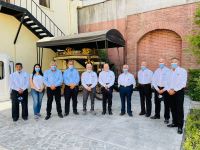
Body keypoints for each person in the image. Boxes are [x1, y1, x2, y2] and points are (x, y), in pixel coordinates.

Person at [167, 58, 187, 134]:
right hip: (170, 92)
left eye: (175, 62)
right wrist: (169, 90)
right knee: (172, 108)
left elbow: (183, 83)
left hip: (178, 92)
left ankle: (180, 126)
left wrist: (174, 90)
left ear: (178, 62)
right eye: (172, 62)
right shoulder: (169, 71)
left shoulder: (182, 71)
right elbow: (166, 82)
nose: (173, 63)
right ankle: (174, 122)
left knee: (179, 109)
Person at [151, 58, 170, 124]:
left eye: (162, 62)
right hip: (157, 88)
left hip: (165, 89)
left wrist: (163, 90)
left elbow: (169, 82)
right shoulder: (156, 71)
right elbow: (154, 81)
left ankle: (167, 118)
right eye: (159, 62)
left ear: (165, 62)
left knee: (167, 104)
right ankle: (157, 115)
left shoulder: (168, 71)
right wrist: (157, 89)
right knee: (157, 102)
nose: (160, 63)